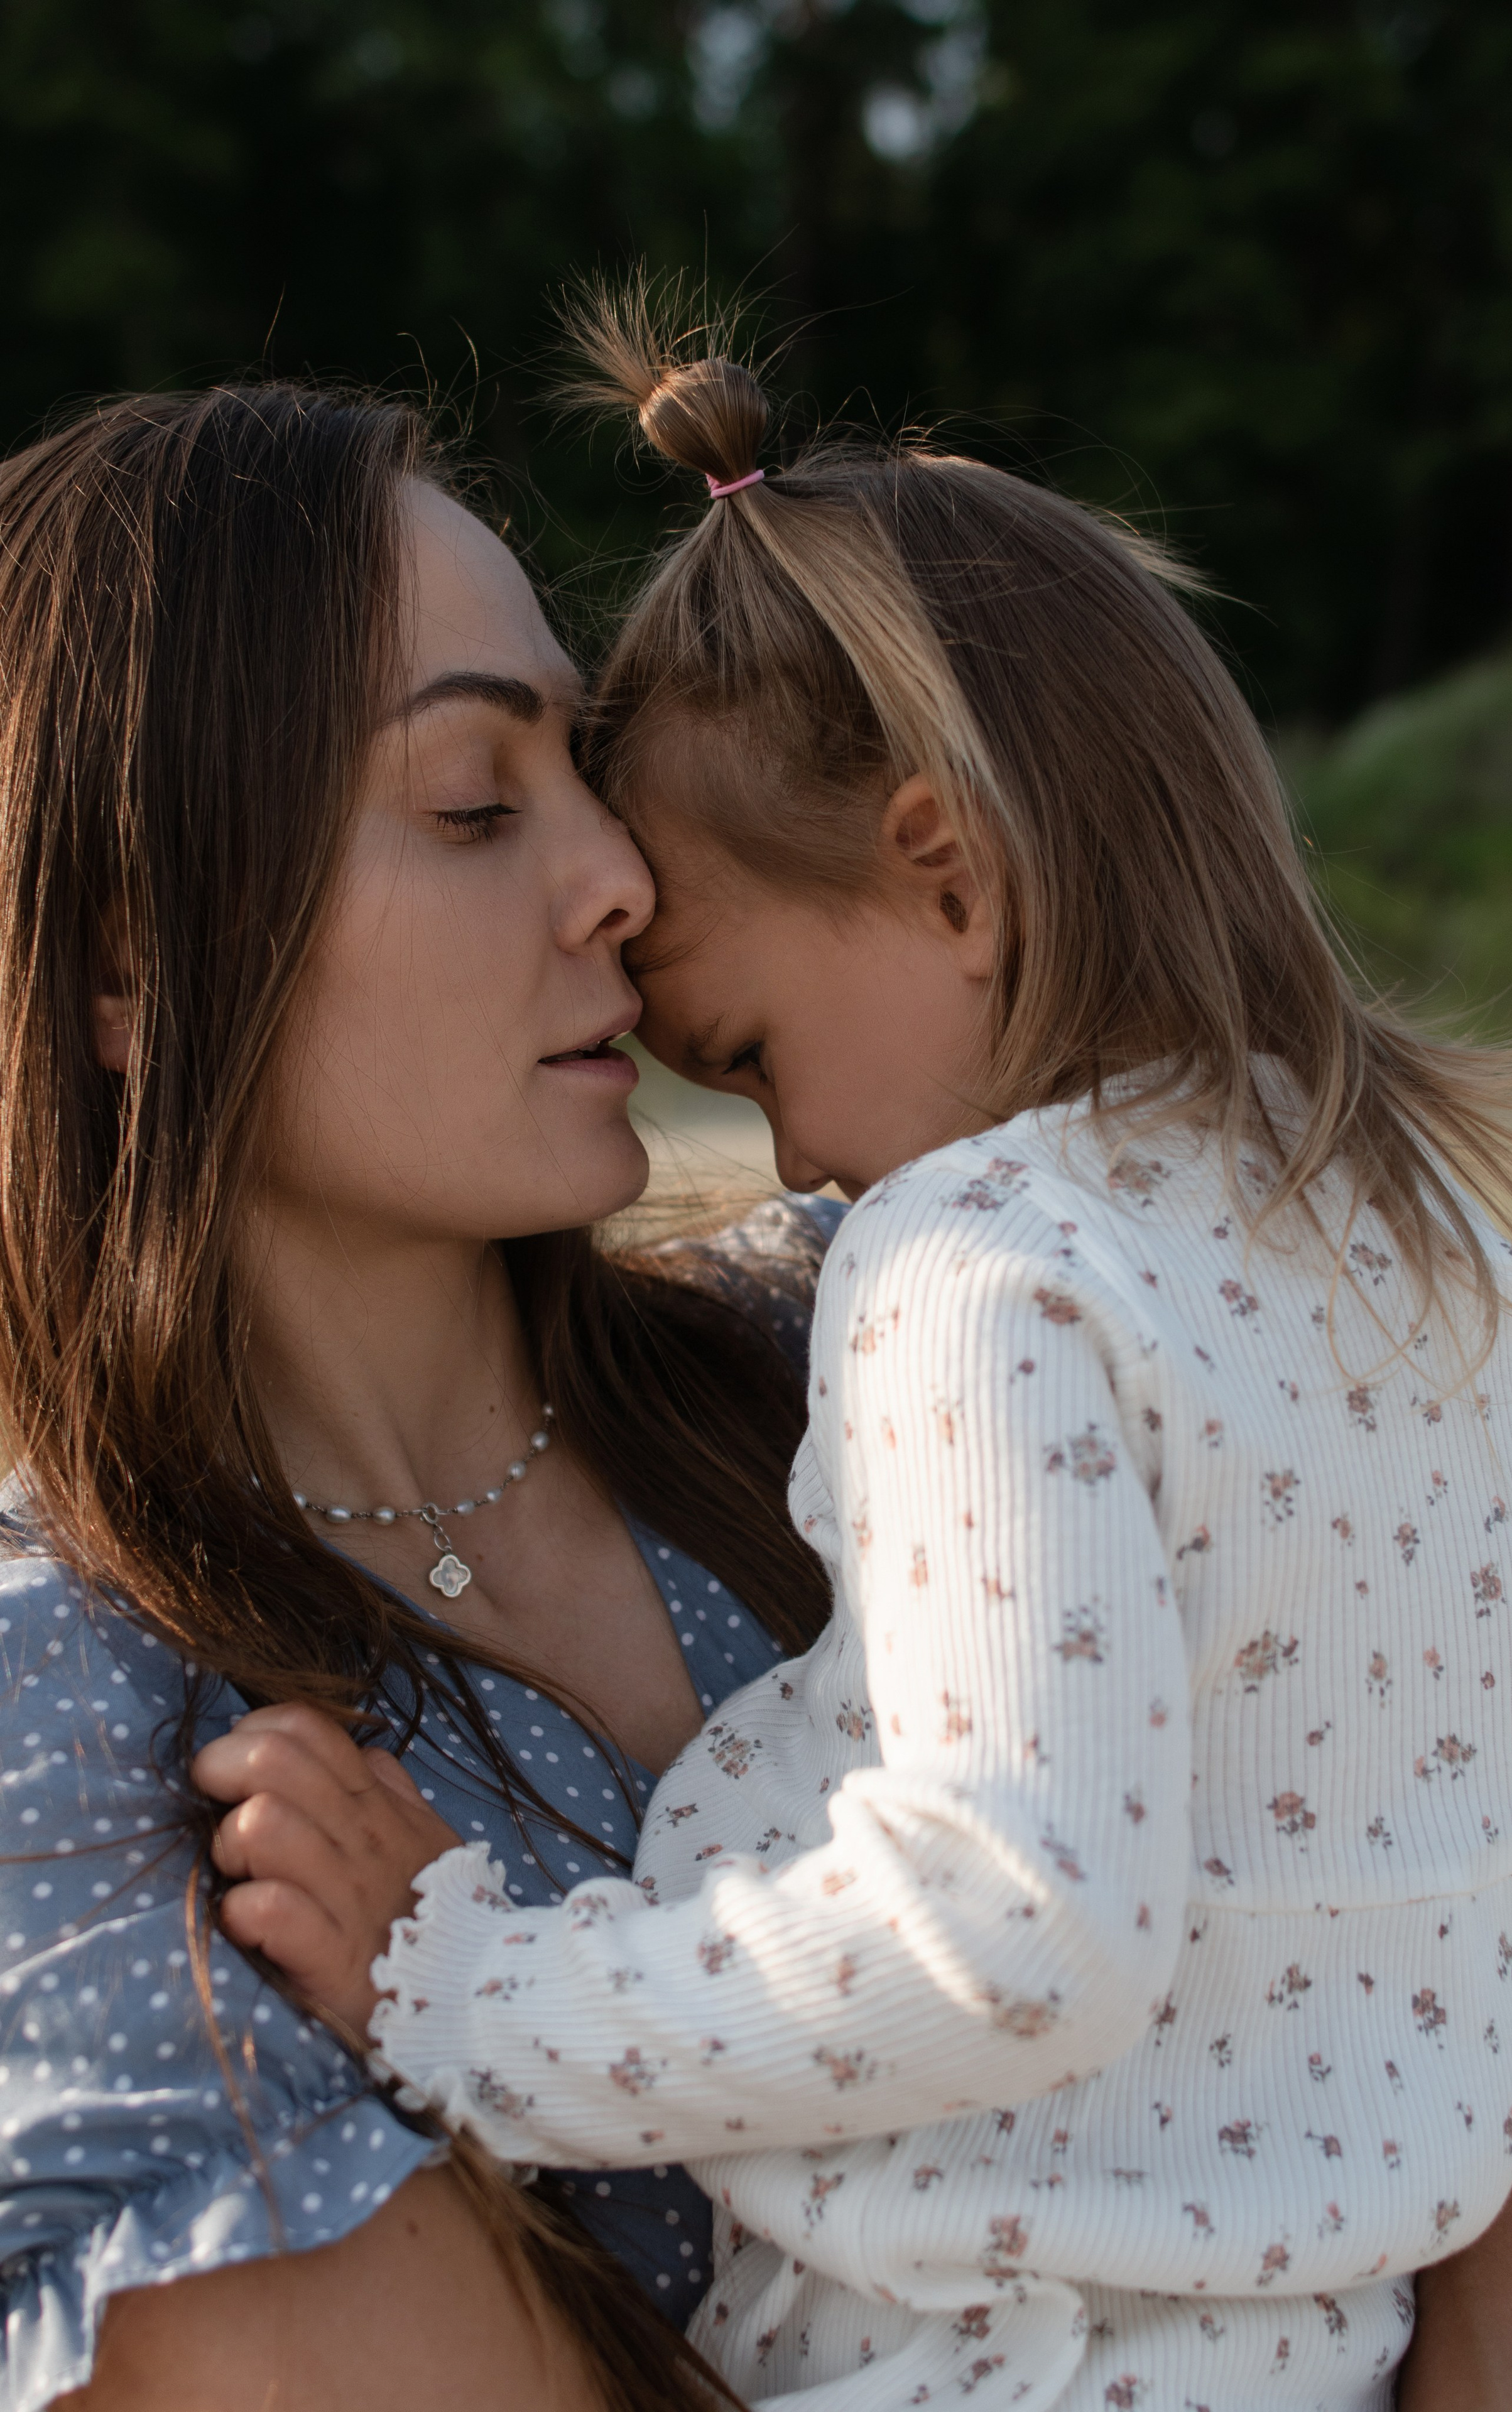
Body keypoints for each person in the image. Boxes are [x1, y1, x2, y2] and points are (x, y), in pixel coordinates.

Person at [200, 305, 1512, 2411]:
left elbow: (1003, 1922)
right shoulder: (1422, 1257)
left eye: (752, 1059)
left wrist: (468, 1990)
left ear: (945, 870)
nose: (800, 1166)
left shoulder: (976, 1266)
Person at [0, 381, 847, 2412]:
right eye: (475, 803)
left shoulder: (878, 1348)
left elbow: (1451, 1956)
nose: (619, 878)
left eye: (592, 773)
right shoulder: (71, 1719)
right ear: (123, 968)